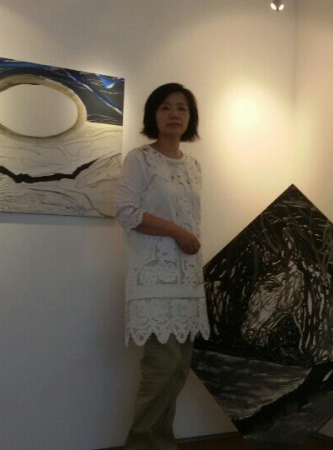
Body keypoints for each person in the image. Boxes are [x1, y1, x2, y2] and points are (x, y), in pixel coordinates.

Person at [115, 83, 210, 450]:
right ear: (153, 115)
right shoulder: (139, 159)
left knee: (178, 371)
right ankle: (139, 444)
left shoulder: (194, 166)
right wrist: (176, 231)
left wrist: (188, 240)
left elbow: (193, 220)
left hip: (188, 282)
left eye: (182, 108)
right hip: (153, 281)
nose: (174, 114)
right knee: (160, 370)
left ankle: (163, 444)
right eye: (166, 107)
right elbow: (127, 212)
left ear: (190, 117)